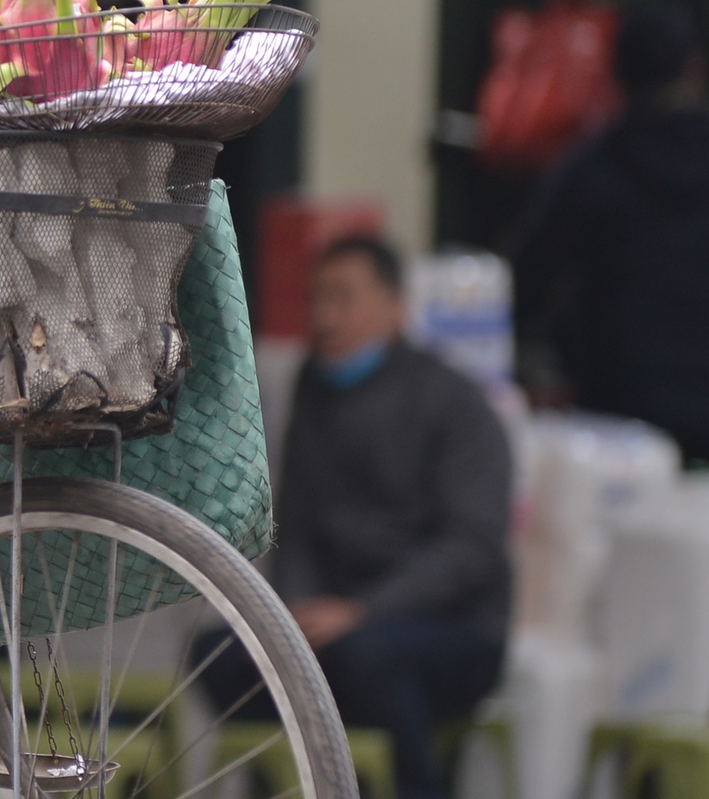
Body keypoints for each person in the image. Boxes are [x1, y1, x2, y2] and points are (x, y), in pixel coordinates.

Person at [198, 236, 511, 799]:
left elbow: (471, 550)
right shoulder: (314, 390)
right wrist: (291, 617)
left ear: (395, 306)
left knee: (364, 657)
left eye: (342, 297)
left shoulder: (454, 402)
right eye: (316, 298)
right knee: (217, 656)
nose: (324, 316)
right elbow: (294, 523)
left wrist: (367, 611)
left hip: (448, 627)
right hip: (334, 622)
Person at [513, 1, 709, 457]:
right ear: (694, 69)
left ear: (613, 74)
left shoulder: (594, 166)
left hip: (619, 400)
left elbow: (530, 275)